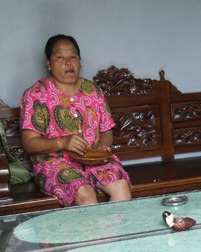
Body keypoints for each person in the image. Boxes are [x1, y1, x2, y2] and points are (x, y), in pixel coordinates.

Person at [20, 34, 131, 206]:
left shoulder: (93, 91)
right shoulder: (36, 95)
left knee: (121, 186)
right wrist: (62, 142)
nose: (68, 62)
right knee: (84, 193)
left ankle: (114, 233)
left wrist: (102, 149)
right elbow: (29, 143)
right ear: (48, 63)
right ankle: (98, 234)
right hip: (55, 163)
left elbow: (106, 131)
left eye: (73, 57)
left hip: (94, 161)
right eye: (60, 57)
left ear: (80, 62)